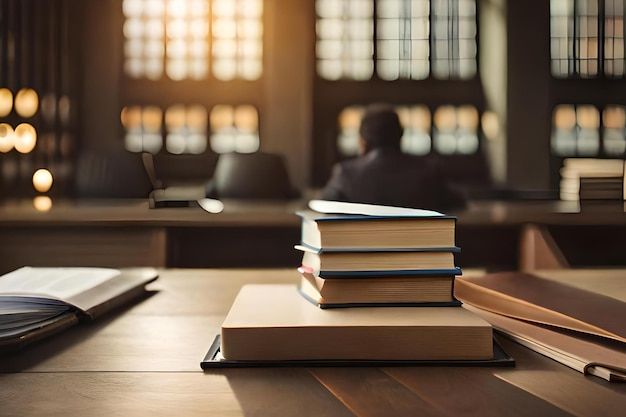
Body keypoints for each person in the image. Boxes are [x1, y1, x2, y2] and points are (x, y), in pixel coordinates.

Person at [320, 103, 467, 212]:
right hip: (419, 251)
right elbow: (458, 202)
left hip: (362, 251)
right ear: (400, 137)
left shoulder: (346, 174)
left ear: (363, 142)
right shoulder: (429, 171)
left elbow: (322, 206)